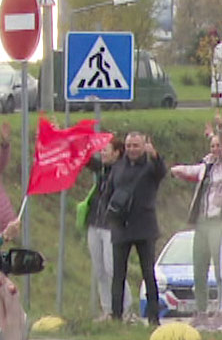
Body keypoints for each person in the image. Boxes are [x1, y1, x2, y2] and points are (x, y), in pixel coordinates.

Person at [105, 130, 168, 325]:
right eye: (129, 146)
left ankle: (153, 318)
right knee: (118, 275)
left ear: (143, 146)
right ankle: (116, 317)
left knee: (148, 274)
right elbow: (108, 192)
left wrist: (155, 155)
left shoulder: (150, 167)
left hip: (144, 228)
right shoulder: (118, 167)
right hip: (121, 227)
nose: (132, 149)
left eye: (136, 146)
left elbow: (161, 172)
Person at [170, 127, 222, 318]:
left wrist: (217, 129)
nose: (216, 149)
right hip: (202, 220)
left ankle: (220, 310)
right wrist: (173, 170)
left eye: (219, 145)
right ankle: (201, 308)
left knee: (220, 267)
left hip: (218, 221)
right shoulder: (205, 166)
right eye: (213, 146)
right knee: (199, 266)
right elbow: (189, 170)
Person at [83, 138, 127, 319]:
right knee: (99, 270)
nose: (102, 153)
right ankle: (107, 309)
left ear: (117, 153)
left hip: (111, 227)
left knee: (112, 268)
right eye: (101, 150)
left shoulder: (122, 171)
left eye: (106, 150)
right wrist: (66, 137)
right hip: (95, 223)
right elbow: (85, 160)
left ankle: (124, 308)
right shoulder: (101, 169)